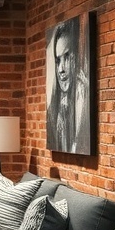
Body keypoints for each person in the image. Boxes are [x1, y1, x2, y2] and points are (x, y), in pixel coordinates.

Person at [47, 18, 90, 154]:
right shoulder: (54, 108)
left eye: (67, 57)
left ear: (76, 57)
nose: (61, 69)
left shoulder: (83, 96)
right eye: (58, 60)